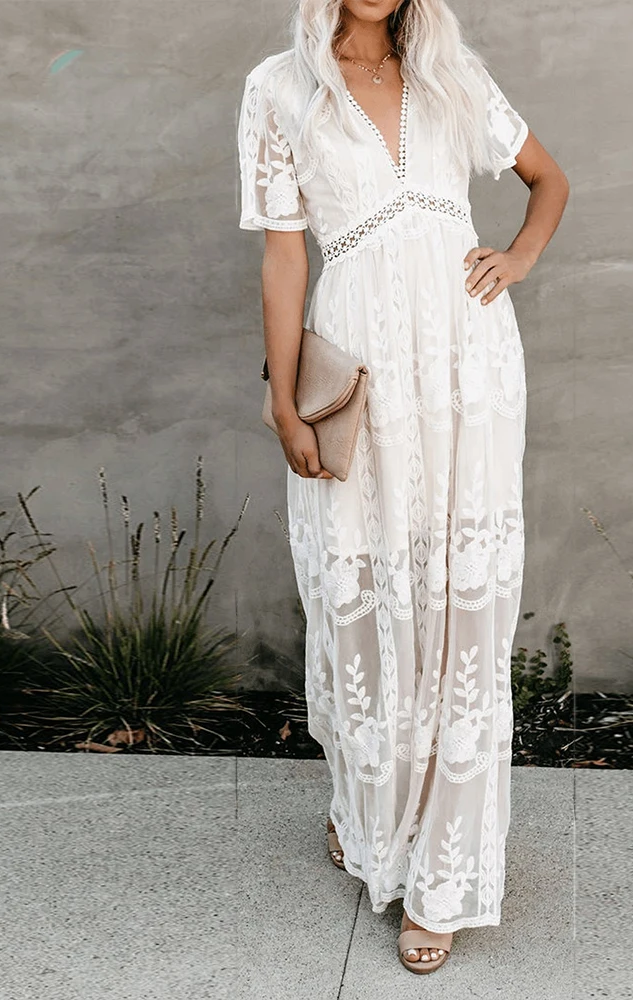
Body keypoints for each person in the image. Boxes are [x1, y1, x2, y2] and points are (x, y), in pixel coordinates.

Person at [237, 0, 569, 975]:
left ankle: (443, 878)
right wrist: (286, 403)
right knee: (365, 590)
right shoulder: (278, 88)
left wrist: (519, 255)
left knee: (457, 609)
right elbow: (284, 256)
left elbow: (547, 179)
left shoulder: (450, 73)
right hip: (365, 365)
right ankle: (368, 813)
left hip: (469, 364)